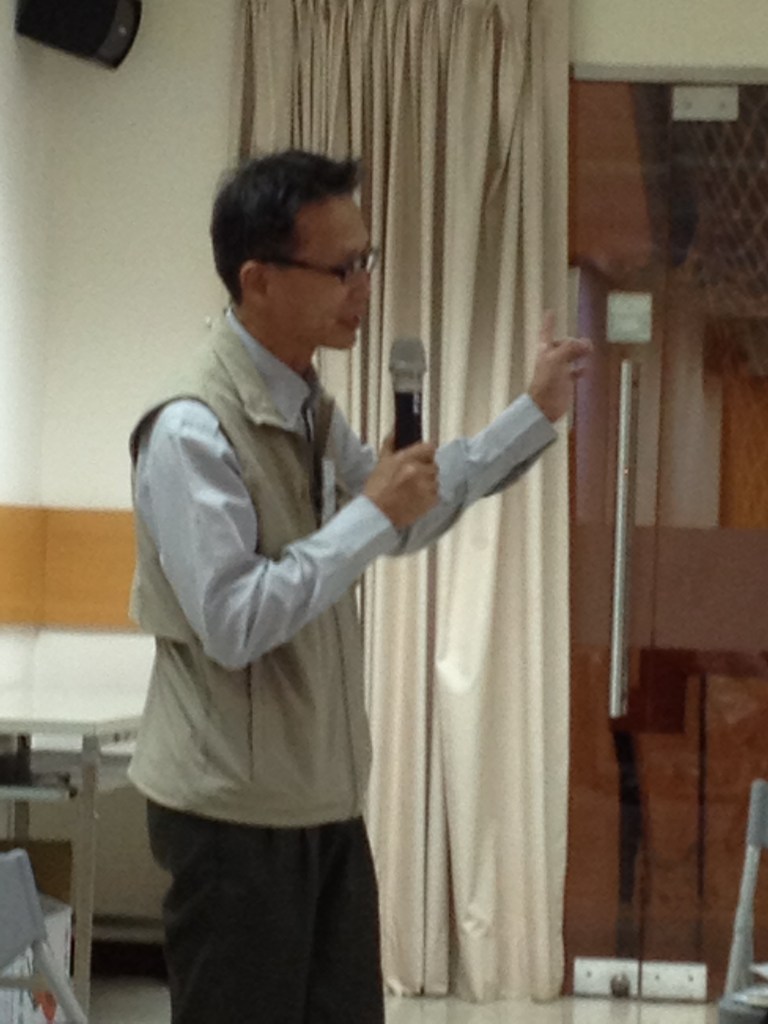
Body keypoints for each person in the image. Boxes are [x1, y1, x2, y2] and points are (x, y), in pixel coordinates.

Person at [127, 149, 591, 1024]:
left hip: (322, 804)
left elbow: (401, 515)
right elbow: (233, 620)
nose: (363, 287)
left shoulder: (306, 402)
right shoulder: (192, 429)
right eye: (341, 268)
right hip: (234, 820)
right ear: (258, 279)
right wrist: (372, 511)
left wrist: (532, 415)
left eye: (366, 260)